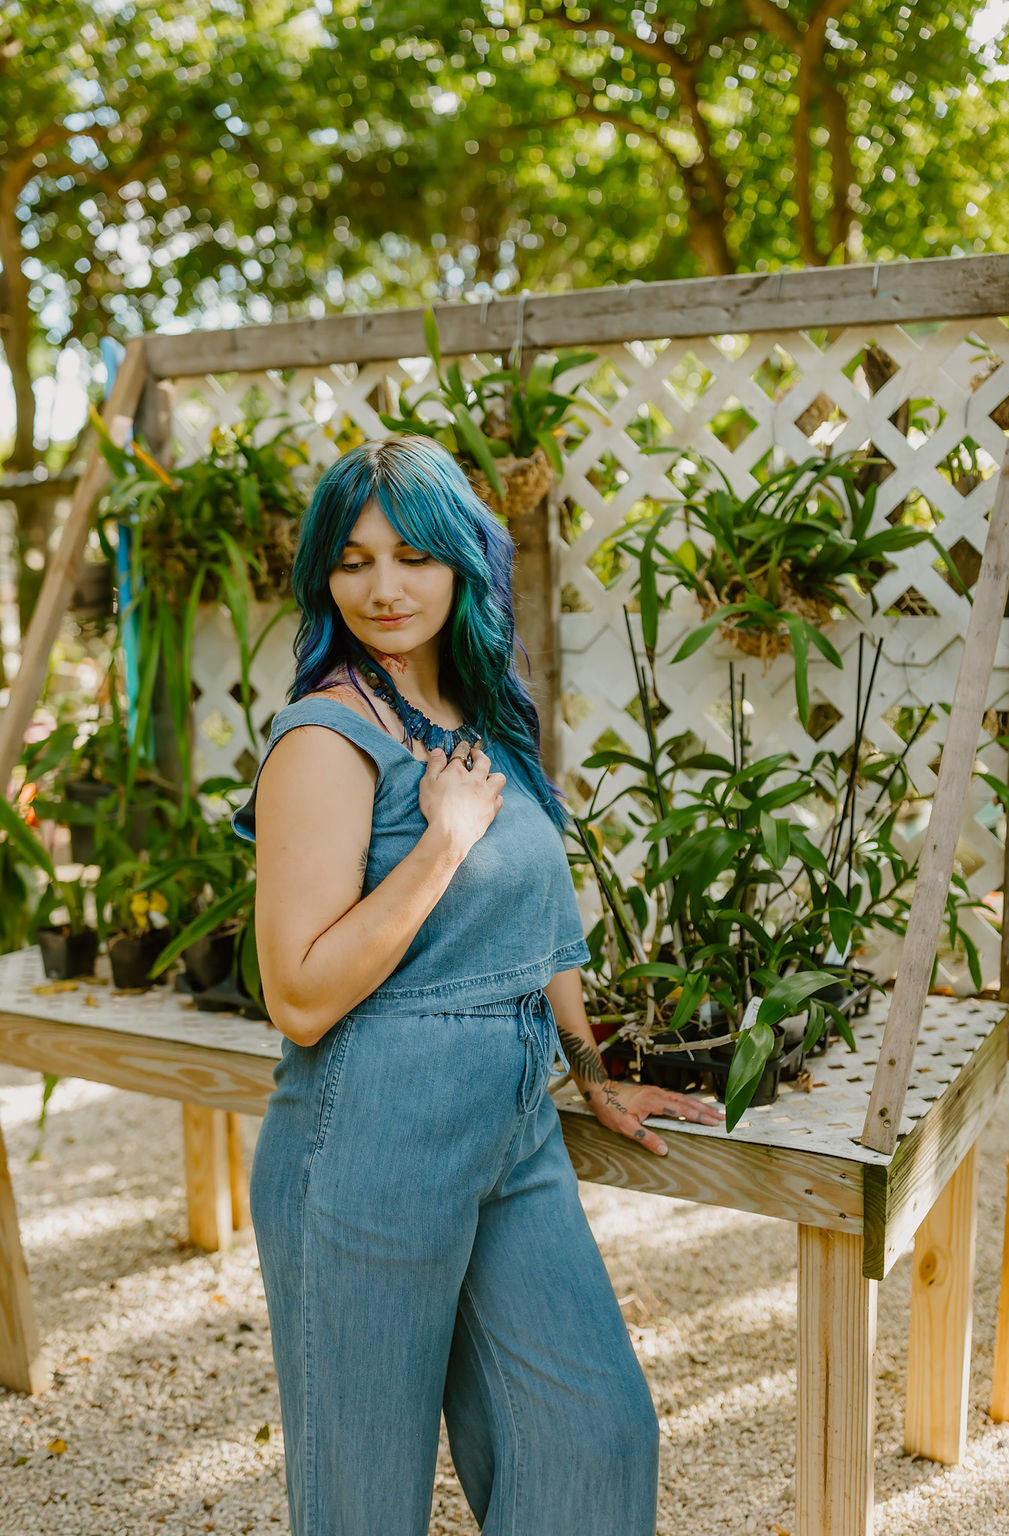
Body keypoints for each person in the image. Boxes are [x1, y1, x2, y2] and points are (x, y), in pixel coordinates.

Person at [230, 434, 724, 1536]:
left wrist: (593, 1072)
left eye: (411, 554)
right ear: (323, 577)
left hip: (508, 1124)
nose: (383, 587)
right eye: (352, 561)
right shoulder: (325, 740)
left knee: (593, 1432)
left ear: (460, 563)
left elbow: (536, 927)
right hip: (368, 1131)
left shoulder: (485, 718)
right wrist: (440, 843)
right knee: (365, 1499)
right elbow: (299, 996)